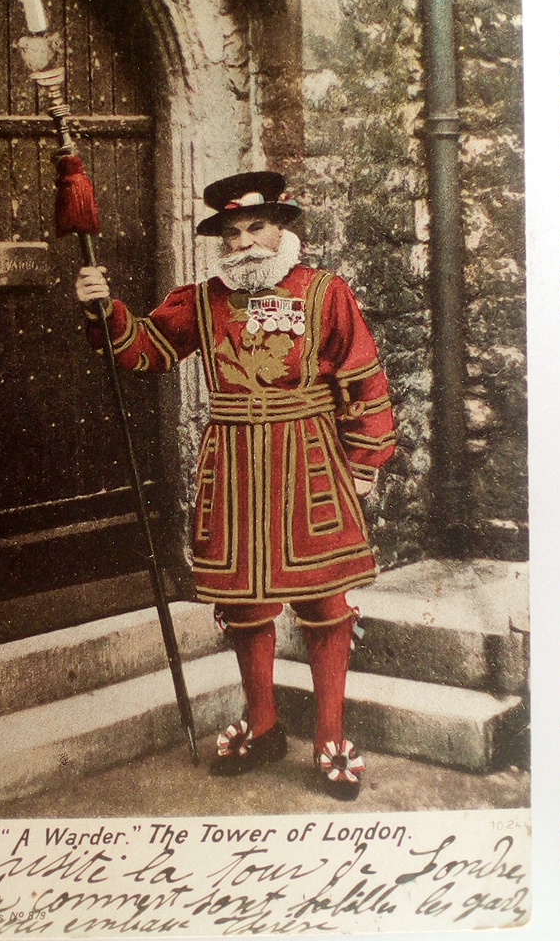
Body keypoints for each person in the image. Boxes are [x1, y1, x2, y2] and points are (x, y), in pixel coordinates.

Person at [76, 171, 395, 798]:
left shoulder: (325, 293)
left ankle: (330, 735)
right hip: (233, 463)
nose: (245, 242)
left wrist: (364, 461)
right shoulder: (202, 300)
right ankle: (263, 722)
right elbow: (145, 351)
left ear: (282, 230)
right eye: (232, 232)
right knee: (246, 604)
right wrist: (104, 307)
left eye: (256, 228)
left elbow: (361, 375)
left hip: (308, 457)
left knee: (325, 602)